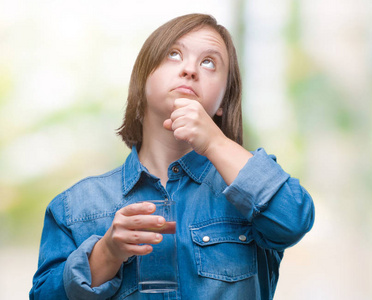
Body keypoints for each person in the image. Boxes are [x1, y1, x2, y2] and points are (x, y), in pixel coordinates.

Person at [30, 13, 315, 300]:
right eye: (173, 54)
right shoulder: (74, 208)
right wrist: (107, 253)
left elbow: (294, 220)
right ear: (142, 80)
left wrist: (215, 142)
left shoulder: (251, 184)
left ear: (223, 102)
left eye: (209, 62)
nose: (191, 70)